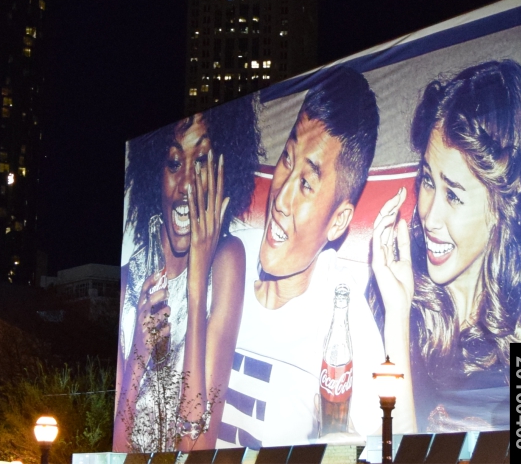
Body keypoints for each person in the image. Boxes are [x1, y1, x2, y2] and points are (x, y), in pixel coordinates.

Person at [217, 66, 389, 450]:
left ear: (339, 221)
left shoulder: (348, 328)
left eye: (307, 183)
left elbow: (379, 449)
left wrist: (341, 451)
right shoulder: (227, 256)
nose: (281, 198)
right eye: (286, 159)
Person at [369, 60, 521, 432]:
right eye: (428, 180)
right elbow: (376, 449)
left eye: (454, 195)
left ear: (504, 203)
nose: (429, 216)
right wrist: (397, 316)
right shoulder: (389, 287)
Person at [115, 97, 261, 452]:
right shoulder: (130, 278)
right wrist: (138, 356)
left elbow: (197, 445)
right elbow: (116, 448)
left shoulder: (227, 259)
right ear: (156, 172)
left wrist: (197, 287)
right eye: (174, 162)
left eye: (201, 163)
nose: (185, 184)